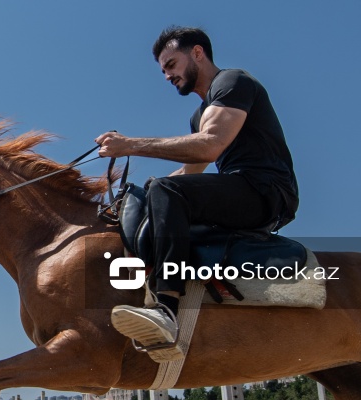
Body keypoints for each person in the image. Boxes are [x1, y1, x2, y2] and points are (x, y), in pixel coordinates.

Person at [95, 26, 299, 361]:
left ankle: (166, 311)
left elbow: (210, 146)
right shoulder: (198, 115)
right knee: (158, 191)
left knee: (165, 189)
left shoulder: (233, 82)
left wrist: (130, 145)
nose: (167, 76)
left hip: (268, 191)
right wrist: (143, 199)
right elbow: (190, 173)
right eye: (163, 71)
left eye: (171, 64)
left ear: (198, 54)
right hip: (237, 188)